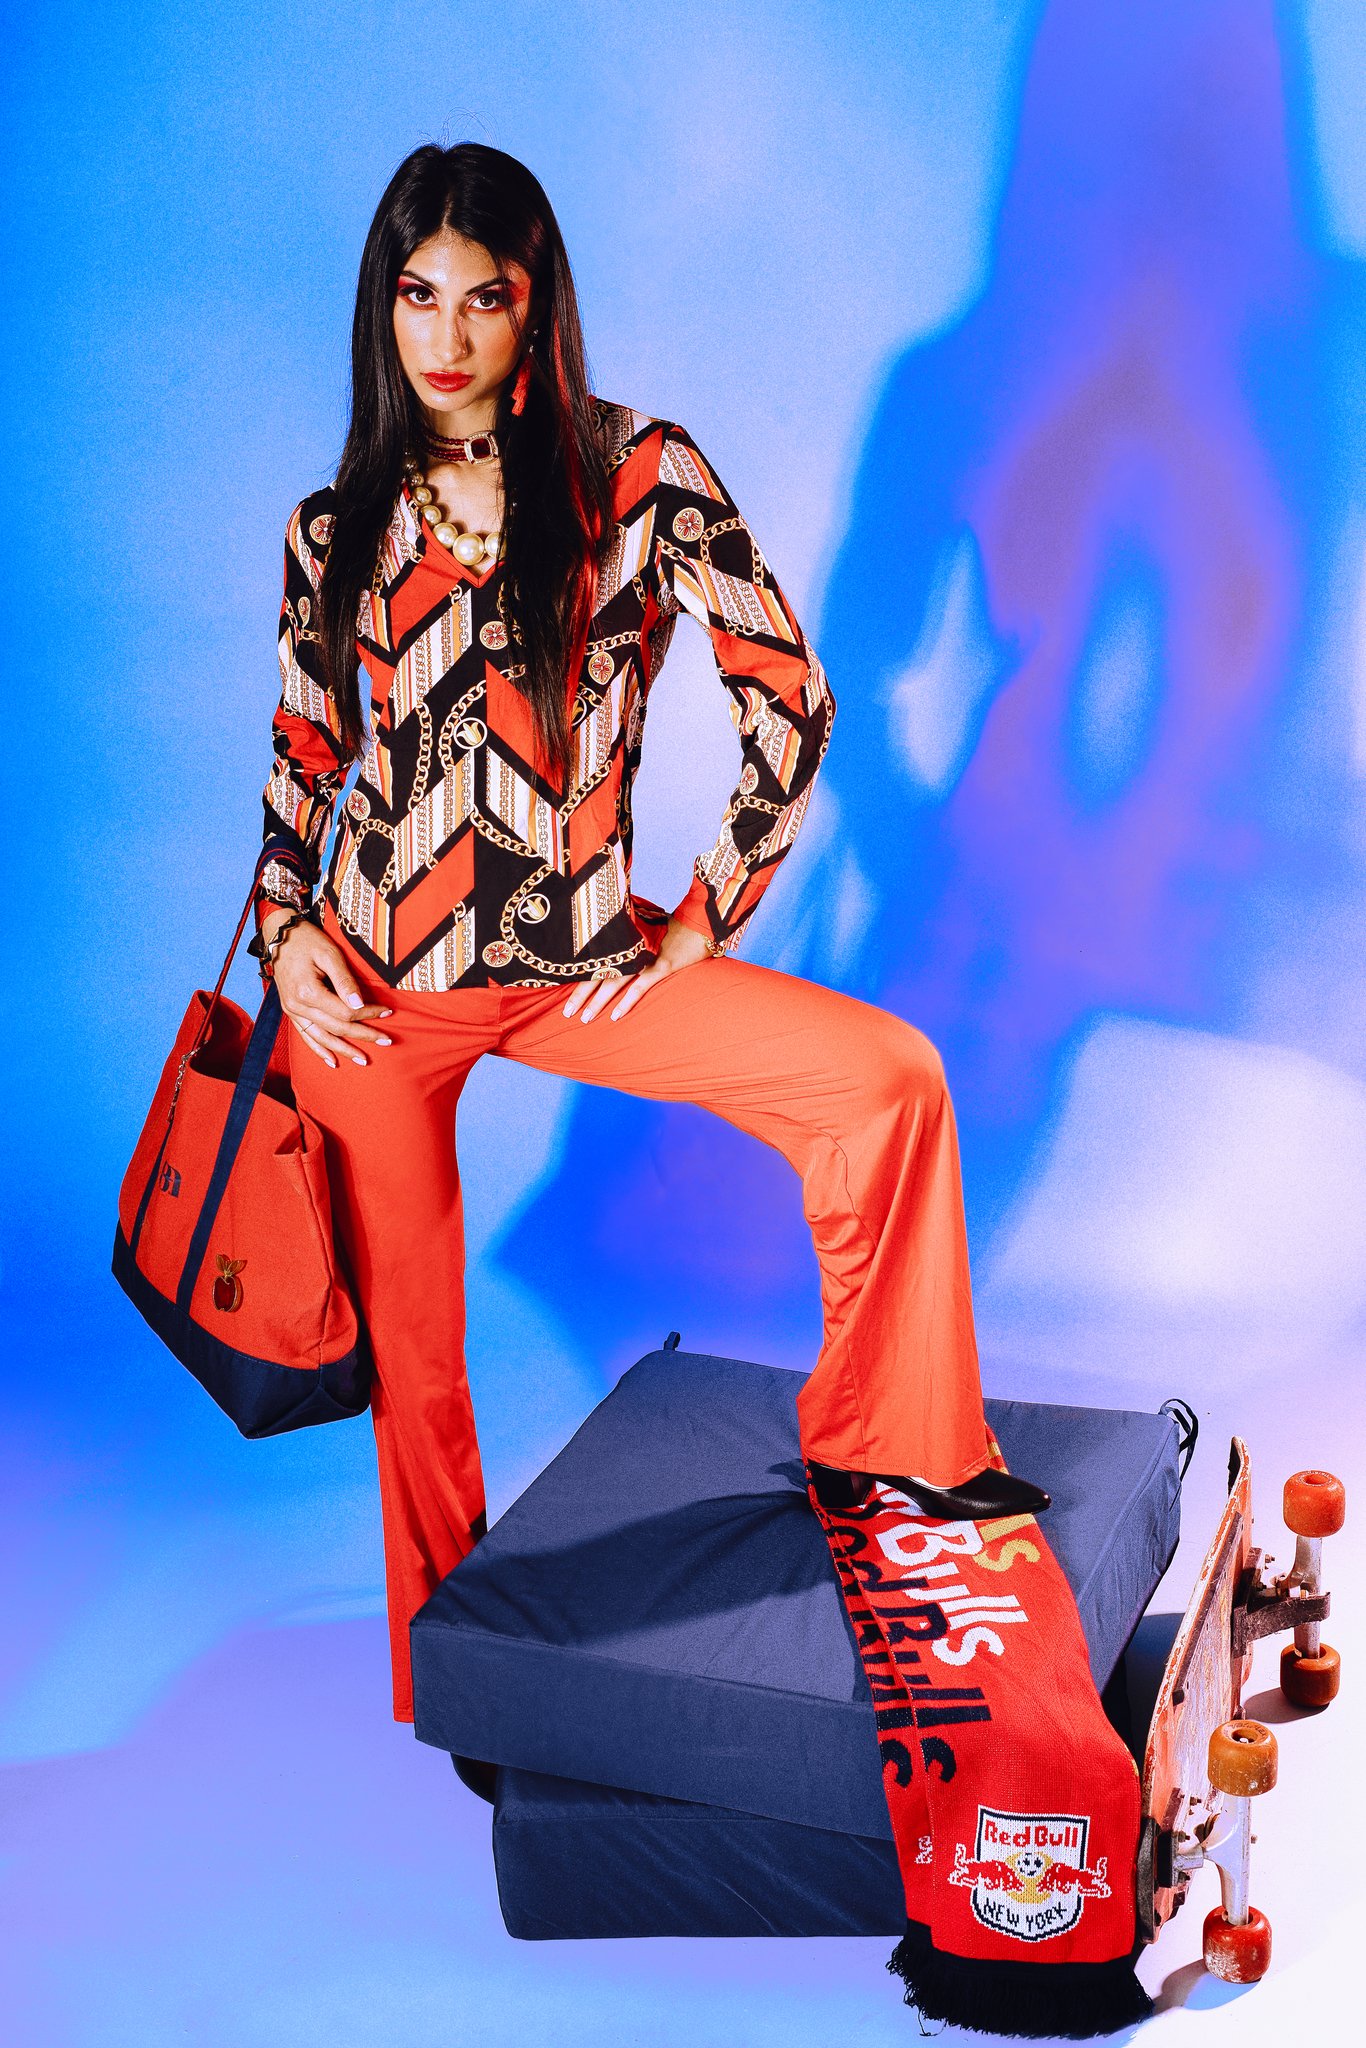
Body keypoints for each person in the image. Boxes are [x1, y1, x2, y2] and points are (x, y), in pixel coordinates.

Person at [252, 141, 1047, 1725]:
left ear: (533, 301)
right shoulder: (332, 528)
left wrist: (709, 910)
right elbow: (301, 760)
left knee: (884, 1083)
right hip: (375, 1004)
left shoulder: (637, 474)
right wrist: (287, 935)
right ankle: (455, 1689)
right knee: (418, 1370)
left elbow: (790, 693)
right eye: (418, 296)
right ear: (383, 309)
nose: (448, 335)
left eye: (484, 296)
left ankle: (893, 1442)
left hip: (578, 976)